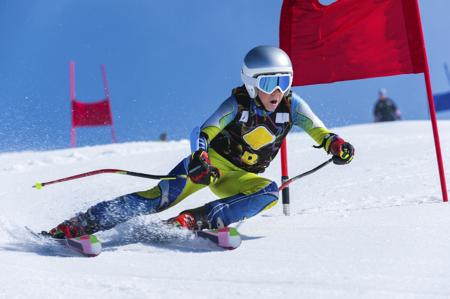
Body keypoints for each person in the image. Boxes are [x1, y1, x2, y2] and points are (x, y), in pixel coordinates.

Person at [46, 45, 355, 238]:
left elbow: (320, 131)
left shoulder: (293, 106)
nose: (277, 92)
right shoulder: (237, 104)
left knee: (268, 192)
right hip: (206, 167)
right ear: (251, 83)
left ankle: (193, 220)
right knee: (157, 197)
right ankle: (82, 223)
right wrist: (200, 159)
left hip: (235, 178)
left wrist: (335, 145)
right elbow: (204, 131)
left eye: (283, 82)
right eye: (268, 83)